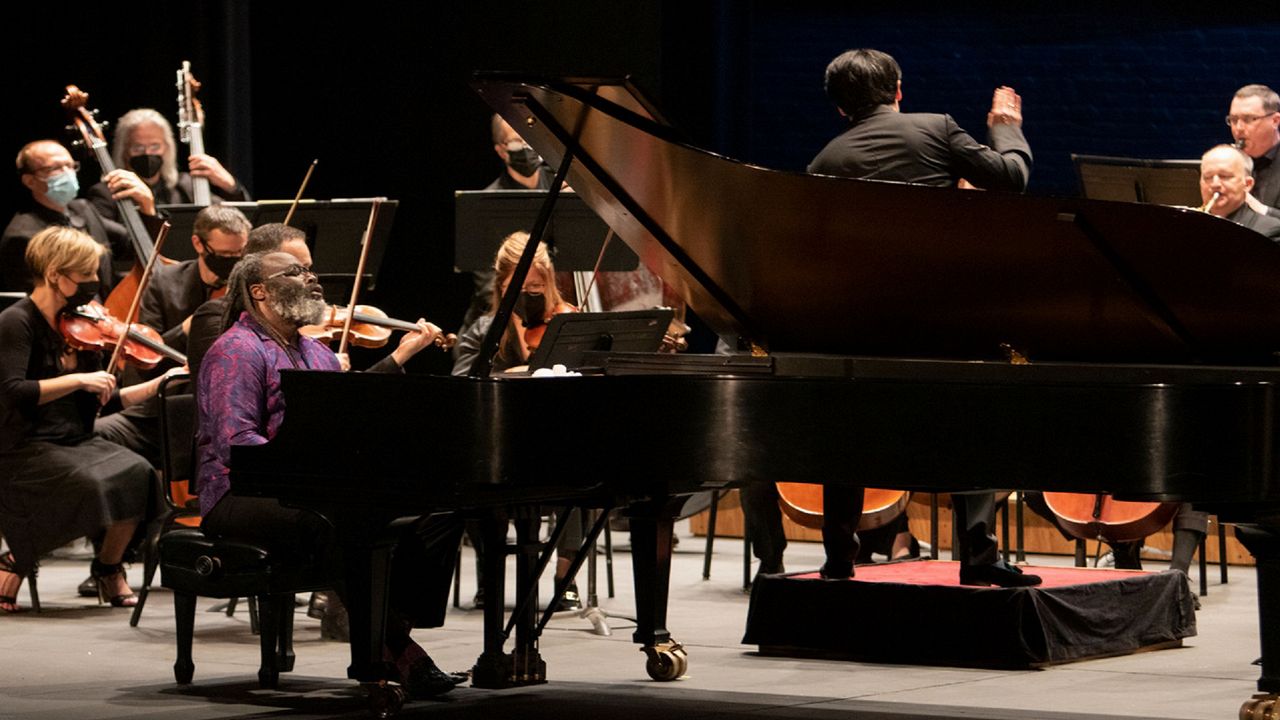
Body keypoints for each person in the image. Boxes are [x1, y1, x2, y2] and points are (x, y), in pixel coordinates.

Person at [806, 48, 1037, 587]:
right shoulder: (935, 129)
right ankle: (978, 559)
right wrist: (1006, 129)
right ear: (899, 90)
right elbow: (1011, 179)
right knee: (972, 425)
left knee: (848, 437)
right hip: (944, 321)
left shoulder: (823, 163)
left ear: (839, 107)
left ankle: (840, 557)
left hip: (858, 327)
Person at [196, 250, 461, 695]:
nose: (311, 277)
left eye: (310, 270)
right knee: (336, 525)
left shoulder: (317, 353)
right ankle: (391, 653)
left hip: (306, 486)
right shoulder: (235, 351)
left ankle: (394, 628)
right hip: (238, 493)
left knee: (436, 515)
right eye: (295, 272)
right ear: (259, 292)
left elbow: (347, 420)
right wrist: (305, 475)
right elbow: (235, 442)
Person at [0, 226, 178, 611]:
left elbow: (107, 402)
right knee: (89, 485)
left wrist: (160, 383)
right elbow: (15, 391)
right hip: (26, 443)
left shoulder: (82, 329)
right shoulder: (16, 322)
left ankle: (108, 566)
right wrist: (77, 378)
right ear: (55, 275)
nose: (95, 284)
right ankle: (15, 558)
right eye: (86, 276)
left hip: (76, 439)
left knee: (138, 473)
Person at [453, 231, 584, 609]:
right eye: (518, 287)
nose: (528, 293)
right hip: (503, 446)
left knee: (584, 467)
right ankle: (487, 573)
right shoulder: (483, 330)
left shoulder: (569, 323)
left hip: (556, 443)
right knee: (472, 476)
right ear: (501, 287)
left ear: (550, 284)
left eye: (536, 286)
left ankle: (565, 576)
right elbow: (463, 386)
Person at [94, 205, 252, 467]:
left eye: (239, 254)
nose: (233, 262)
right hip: (167, 403)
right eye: (225, 254)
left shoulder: (247, 287)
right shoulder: (164, 281)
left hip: (226, 407)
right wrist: (187, 328)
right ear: (198, 244)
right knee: (97, 433)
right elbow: (147, 354)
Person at [2, 140, 156, 293]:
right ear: (30, 181)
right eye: (55, 168)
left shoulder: (83, 209)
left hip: (109, 312)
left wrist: (146, 206)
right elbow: (37, 302)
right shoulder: (21, 236)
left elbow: (132, 246)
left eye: (70, 166)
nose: (67, 173)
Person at [459, 116, 557, 334]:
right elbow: (487, 287)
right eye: (516, 141)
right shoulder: (484, 206)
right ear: (501, 151)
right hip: (505, 321)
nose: (526, 146)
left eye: (530, 139)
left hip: (556, 309)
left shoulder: (564, 186)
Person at [87, 109, 249, 229]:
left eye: (155, 146)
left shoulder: (185, 186)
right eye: (138, 148)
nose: (147, 154)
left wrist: (231, 187)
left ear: (167, 148)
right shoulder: (106, 194)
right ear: (123, 152)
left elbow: (238, 223)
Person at [1199, 144, 1280, 240]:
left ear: (1247, 184)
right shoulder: (1190, 226)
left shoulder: (1270, 230)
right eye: (1208, 177)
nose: (1215, 184)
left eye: (1225, 176)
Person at [1226, 85, 1280, 216]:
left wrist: (1261, 209)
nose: (1238, 128)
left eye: (1248, 119)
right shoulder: (1231, 162)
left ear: (1275, 121)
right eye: (1233, 120)